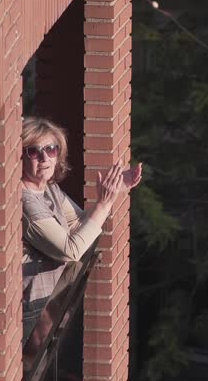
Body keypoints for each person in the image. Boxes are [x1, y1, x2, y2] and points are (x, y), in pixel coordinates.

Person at [20, 117, 141, 339]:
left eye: (51, 149)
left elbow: (81, 225)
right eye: (34, 152)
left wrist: (113, 190)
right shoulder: (26, 203)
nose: (45, 157)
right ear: (21, 157)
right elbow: (71, 249)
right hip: (30, 315)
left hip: (50, 304)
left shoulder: (50, 189)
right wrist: (104, 203)